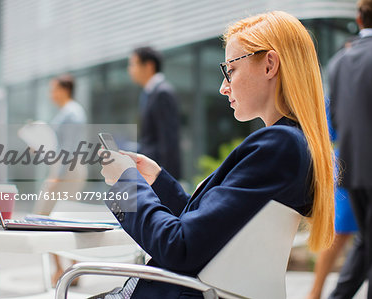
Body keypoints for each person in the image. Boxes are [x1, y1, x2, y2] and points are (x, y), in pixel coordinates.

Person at [97, 11, 335, 298]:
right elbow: (210, 229)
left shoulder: (278, 146)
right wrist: (157, 180)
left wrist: (126, 183)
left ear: (270, 64)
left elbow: (179, 247)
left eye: (230, 71)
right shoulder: (291, 146)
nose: (224, 87)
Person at [327, 0, 372, 298]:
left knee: (368, 241)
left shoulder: (338, 61)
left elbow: (336, 116)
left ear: (359, 17)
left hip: (351, 164)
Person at [32, 74, 88, 285]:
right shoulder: (68, 112)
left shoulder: (72, 113)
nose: (51, 94)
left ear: (64, 89)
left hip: (67, 170)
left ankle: (65, 270)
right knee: (62, 217)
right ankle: (71, 270)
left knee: (43, 217)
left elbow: (69, 148)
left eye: (53, 89)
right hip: (66, 168)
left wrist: (58, 174)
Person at [306, 102, 359, 299]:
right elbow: (327, 133)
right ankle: (315, 292)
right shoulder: (338, 87)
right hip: (348, 163)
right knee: (339, 233)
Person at [128, 46, 181, 179]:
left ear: (149, 66)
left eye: (133, 64)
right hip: (150, 173)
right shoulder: (149, 93)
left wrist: (166, 180)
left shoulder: (162, 93)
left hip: (158, 175)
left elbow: (168, 141)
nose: (130, 70)